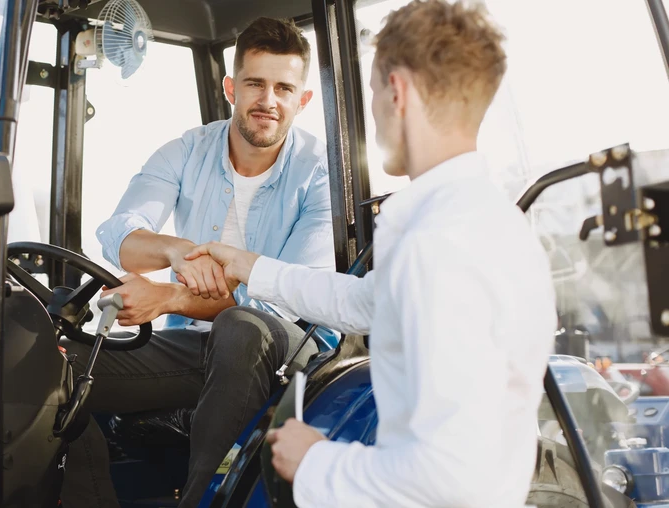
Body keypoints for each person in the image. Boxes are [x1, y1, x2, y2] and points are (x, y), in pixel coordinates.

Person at [182, 1, 557, 506]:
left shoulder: (442, 243)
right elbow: (366, 303)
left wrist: (314, 459)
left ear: (397, 92)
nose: (374, 110)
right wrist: (252, 266)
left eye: (375, 91)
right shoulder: (473, 219)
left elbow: (454, 477)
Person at [61, 17, 336, 508]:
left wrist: (168, 296)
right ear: (232, 87)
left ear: (302, 100)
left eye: (283, 88)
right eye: (255, 83)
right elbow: (118, 232)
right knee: (54, 366)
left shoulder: (321, 174)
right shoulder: (188, 150)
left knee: (241, 324)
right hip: (197, 348)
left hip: (293, 354)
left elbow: (283, 299)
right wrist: (173, 250)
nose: (267, 100)